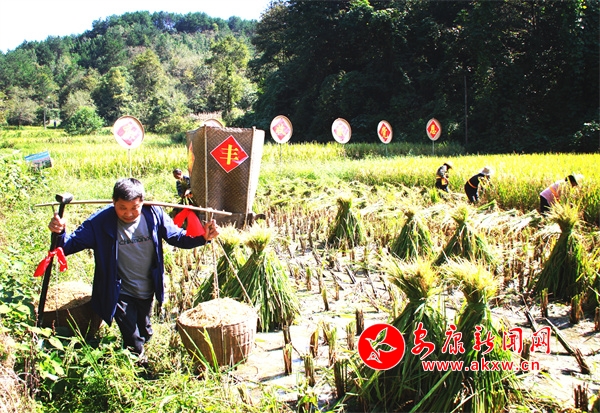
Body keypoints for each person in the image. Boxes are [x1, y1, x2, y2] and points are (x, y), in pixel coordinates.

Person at [48, 178, 219, 358]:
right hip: (119, 289)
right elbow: (67, 246)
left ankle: (144, 347)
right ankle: (137, 361)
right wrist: (59, 232)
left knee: (145, 329)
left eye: (134, 208)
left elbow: (176, 237)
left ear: (142, 202)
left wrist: (203, 237)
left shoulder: (154, 214)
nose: (128, 213)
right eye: (122, 208)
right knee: (132, 336)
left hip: (147, 286)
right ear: (113, 202)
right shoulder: (100, 222)